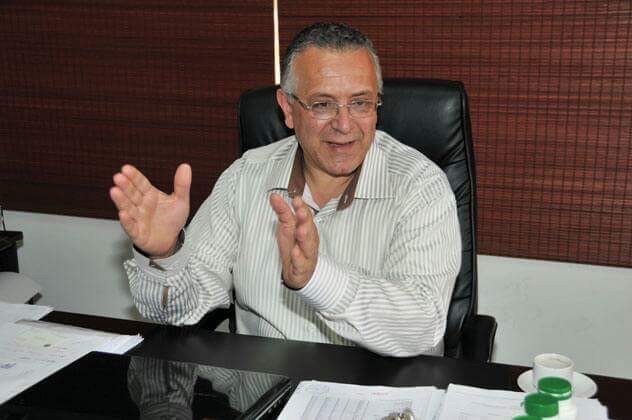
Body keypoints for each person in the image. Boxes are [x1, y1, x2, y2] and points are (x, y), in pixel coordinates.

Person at [110, 22, 461, 357]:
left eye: (360, 103)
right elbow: (180, 313)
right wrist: (165, 255)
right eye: (322, 104)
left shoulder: (420, 186)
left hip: (377, 391)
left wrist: (316, 278)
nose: (344, 124)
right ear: (287, 109)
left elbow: (422, 326)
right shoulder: (246, 177)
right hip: (261, 385)